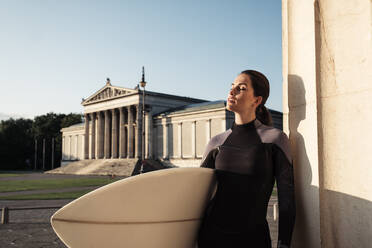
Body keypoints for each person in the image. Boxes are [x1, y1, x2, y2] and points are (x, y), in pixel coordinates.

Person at [197, 70, 295, 248]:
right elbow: (196, 195)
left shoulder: (275, 139)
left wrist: (284, 244)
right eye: (231, 87)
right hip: (211, 239)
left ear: (257, 100)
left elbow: (287, 200)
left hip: (253, 240)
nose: (231, 92)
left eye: (240, 89)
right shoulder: (216, 142)